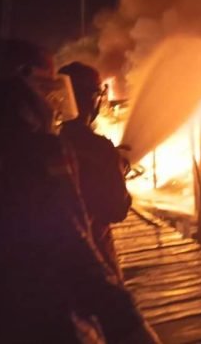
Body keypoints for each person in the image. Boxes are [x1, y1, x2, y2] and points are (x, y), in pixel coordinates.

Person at [0, 40, 159, 343]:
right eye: (45, 87)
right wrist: (126, 322)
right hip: (52, 313)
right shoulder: (44, 151)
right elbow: (73, 241)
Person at [59, 62, 131, 278]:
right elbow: (117, 209)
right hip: (95, 257)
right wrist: (117, 170)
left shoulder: (47, 142)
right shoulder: (99, 149)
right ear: (92, 98)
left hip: (55, 263)